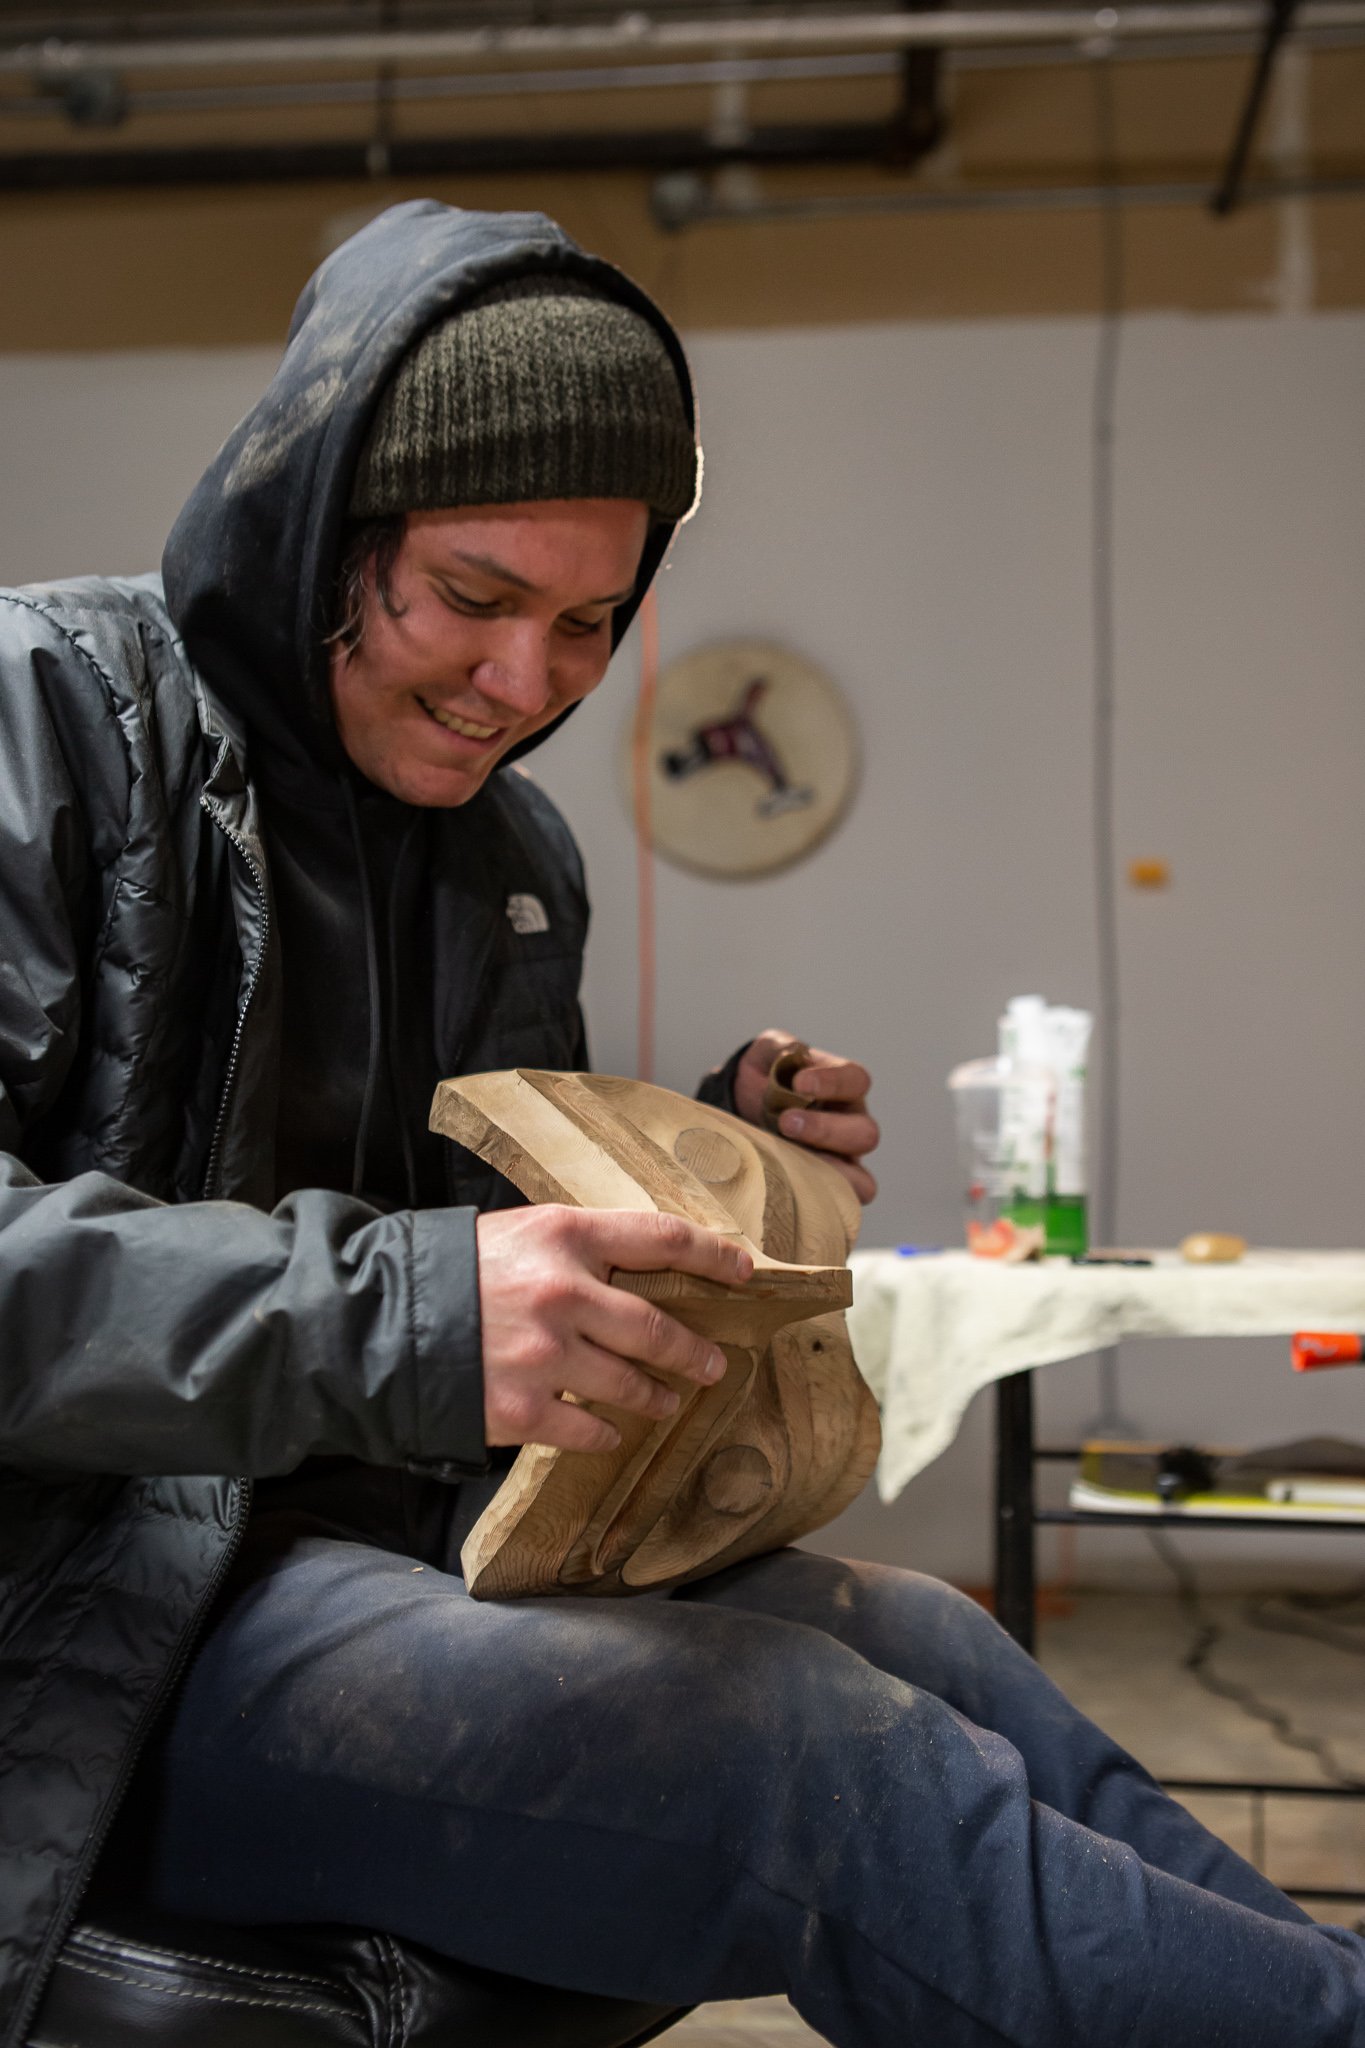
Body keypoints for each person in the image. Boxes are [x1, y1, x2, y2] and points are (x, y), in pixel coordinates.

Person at [0, 199, 1361, 2048]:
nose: (525, 685)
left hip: (393, 1560)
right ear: (320, 523)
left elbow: (454, 1220)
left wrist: (704, 1158)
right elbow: (369, 1291)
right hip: (89, 1634)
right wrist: (415, 1310)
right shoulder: (43, 720)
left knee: (933, 1641)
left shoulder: (508, 853)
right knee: (804, 1756)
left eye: (588, 623)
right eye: (471, 600)